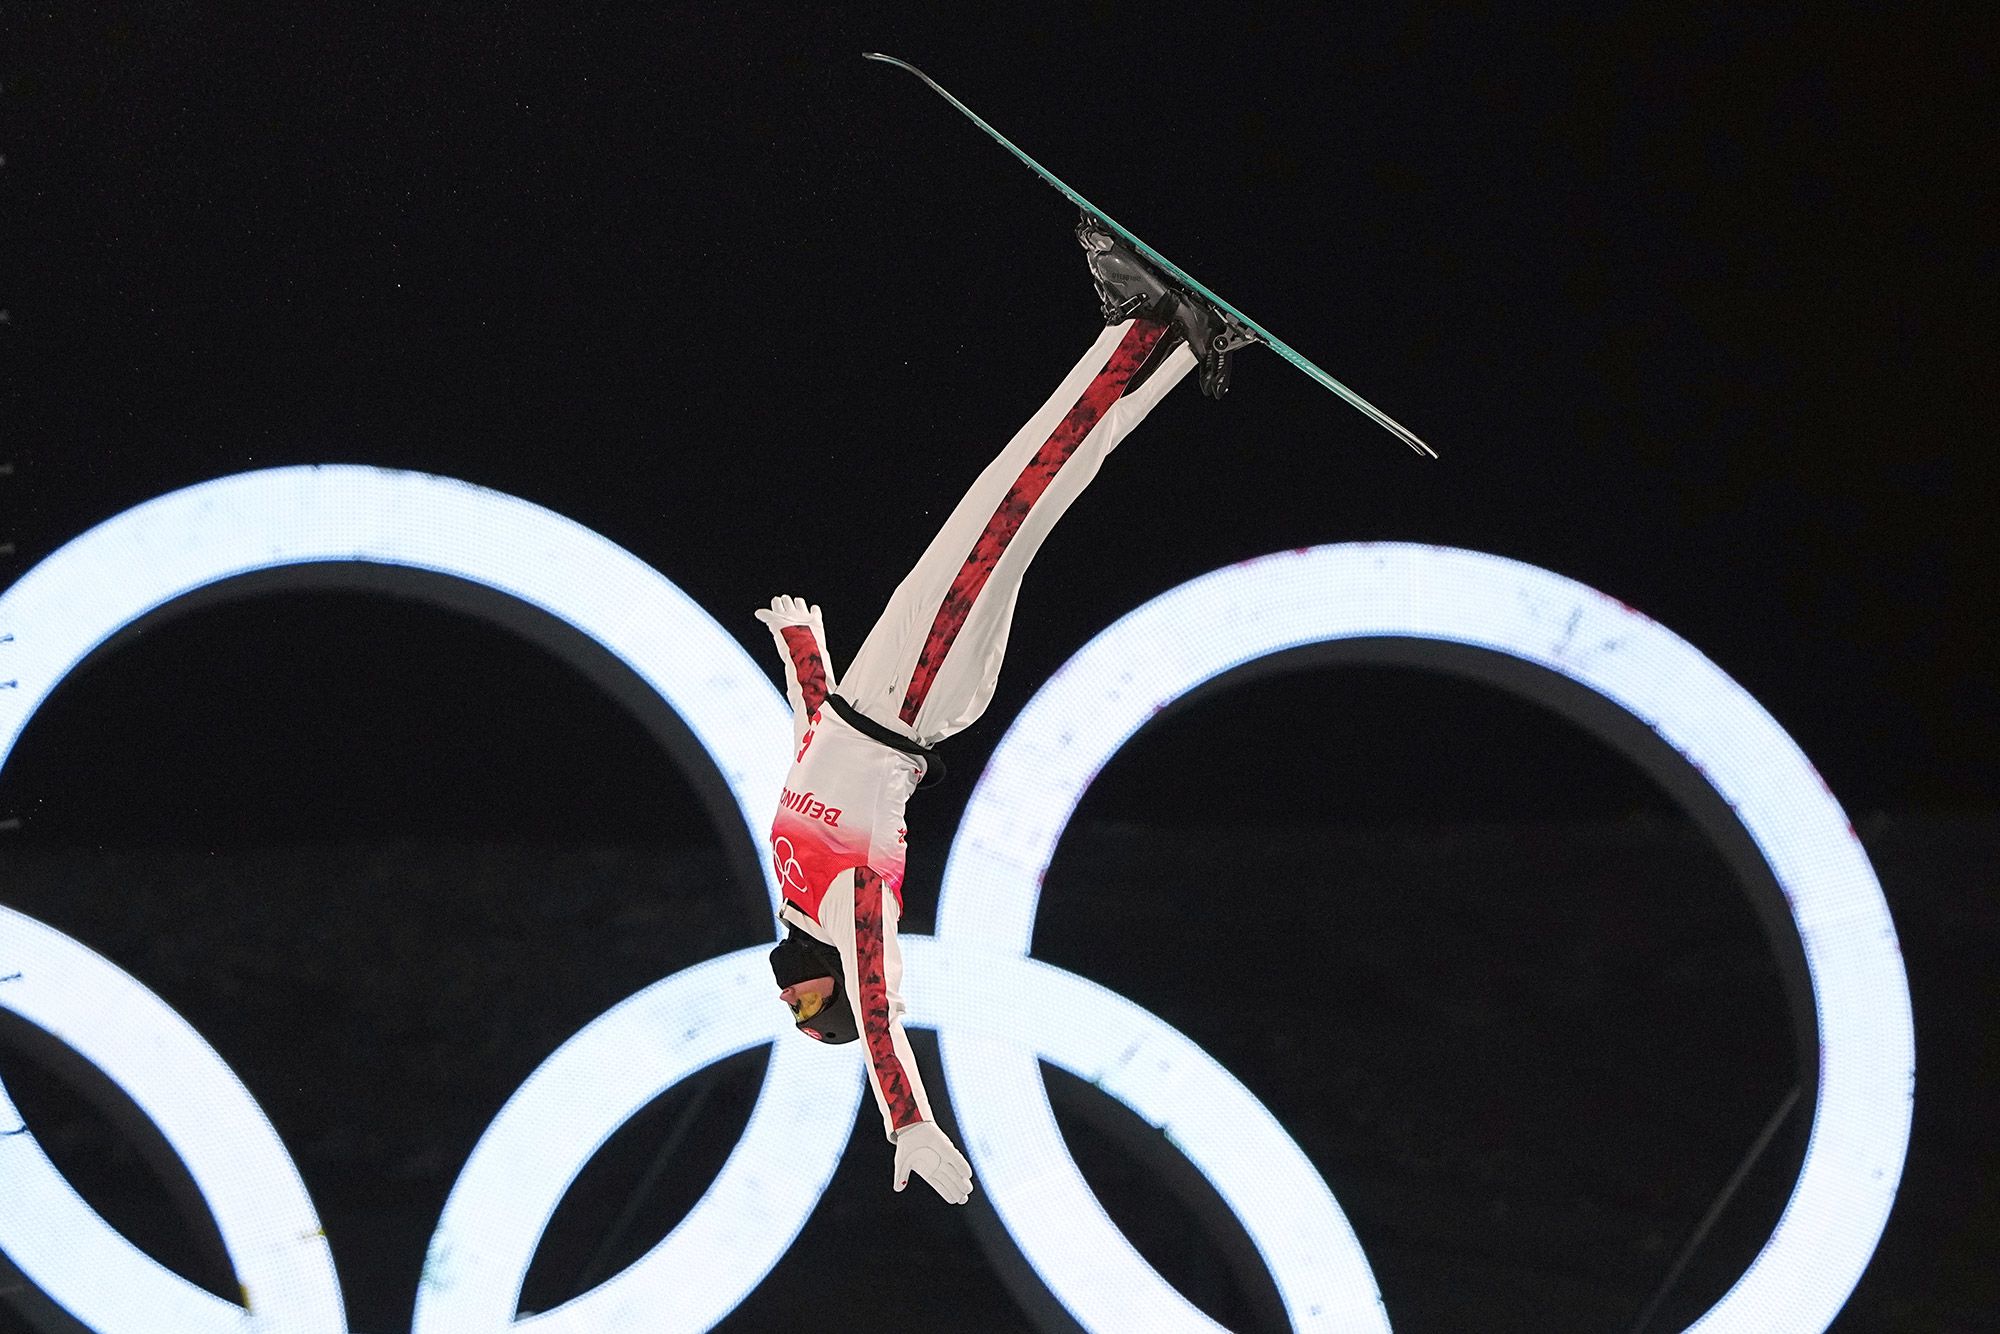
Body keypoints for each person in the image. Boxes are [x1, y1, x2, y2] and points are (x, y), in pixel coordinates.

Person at [756, 216, 1249, 1204]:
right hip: (915, 695)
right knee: (1013, 494)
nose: (792, 991)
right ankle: (1138, 326)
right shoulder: (856, 907)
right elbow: (886, 1016)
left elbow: (815, 753)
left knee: (1027, 495)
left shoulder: (789, 878)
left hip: (874, 690)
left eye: (796, 1002)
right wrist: (908, 1118)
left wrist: (803, 652)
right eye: (813, 1004)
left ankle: (1178, 343)